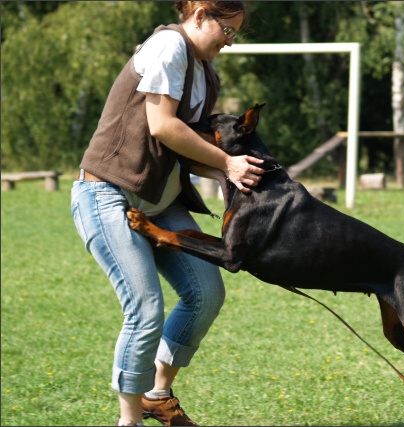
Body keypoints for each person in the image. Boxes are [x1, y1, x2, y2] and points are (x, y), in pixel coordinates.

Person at [71, 2, 263, 425]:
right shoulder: (167, 47)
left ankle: (157, 393)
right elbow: (162, 126)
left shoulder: (206, 73)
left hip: (161, 201)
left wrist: (236, 175)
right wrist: (227, 165)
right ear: (198, 16)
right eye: (226, 31)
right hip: (107, 192)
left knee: (206, 294)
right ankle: (130, 420)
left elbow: (185, 147)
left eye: (235, 35)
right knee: (145, 309)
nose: (228, 43)